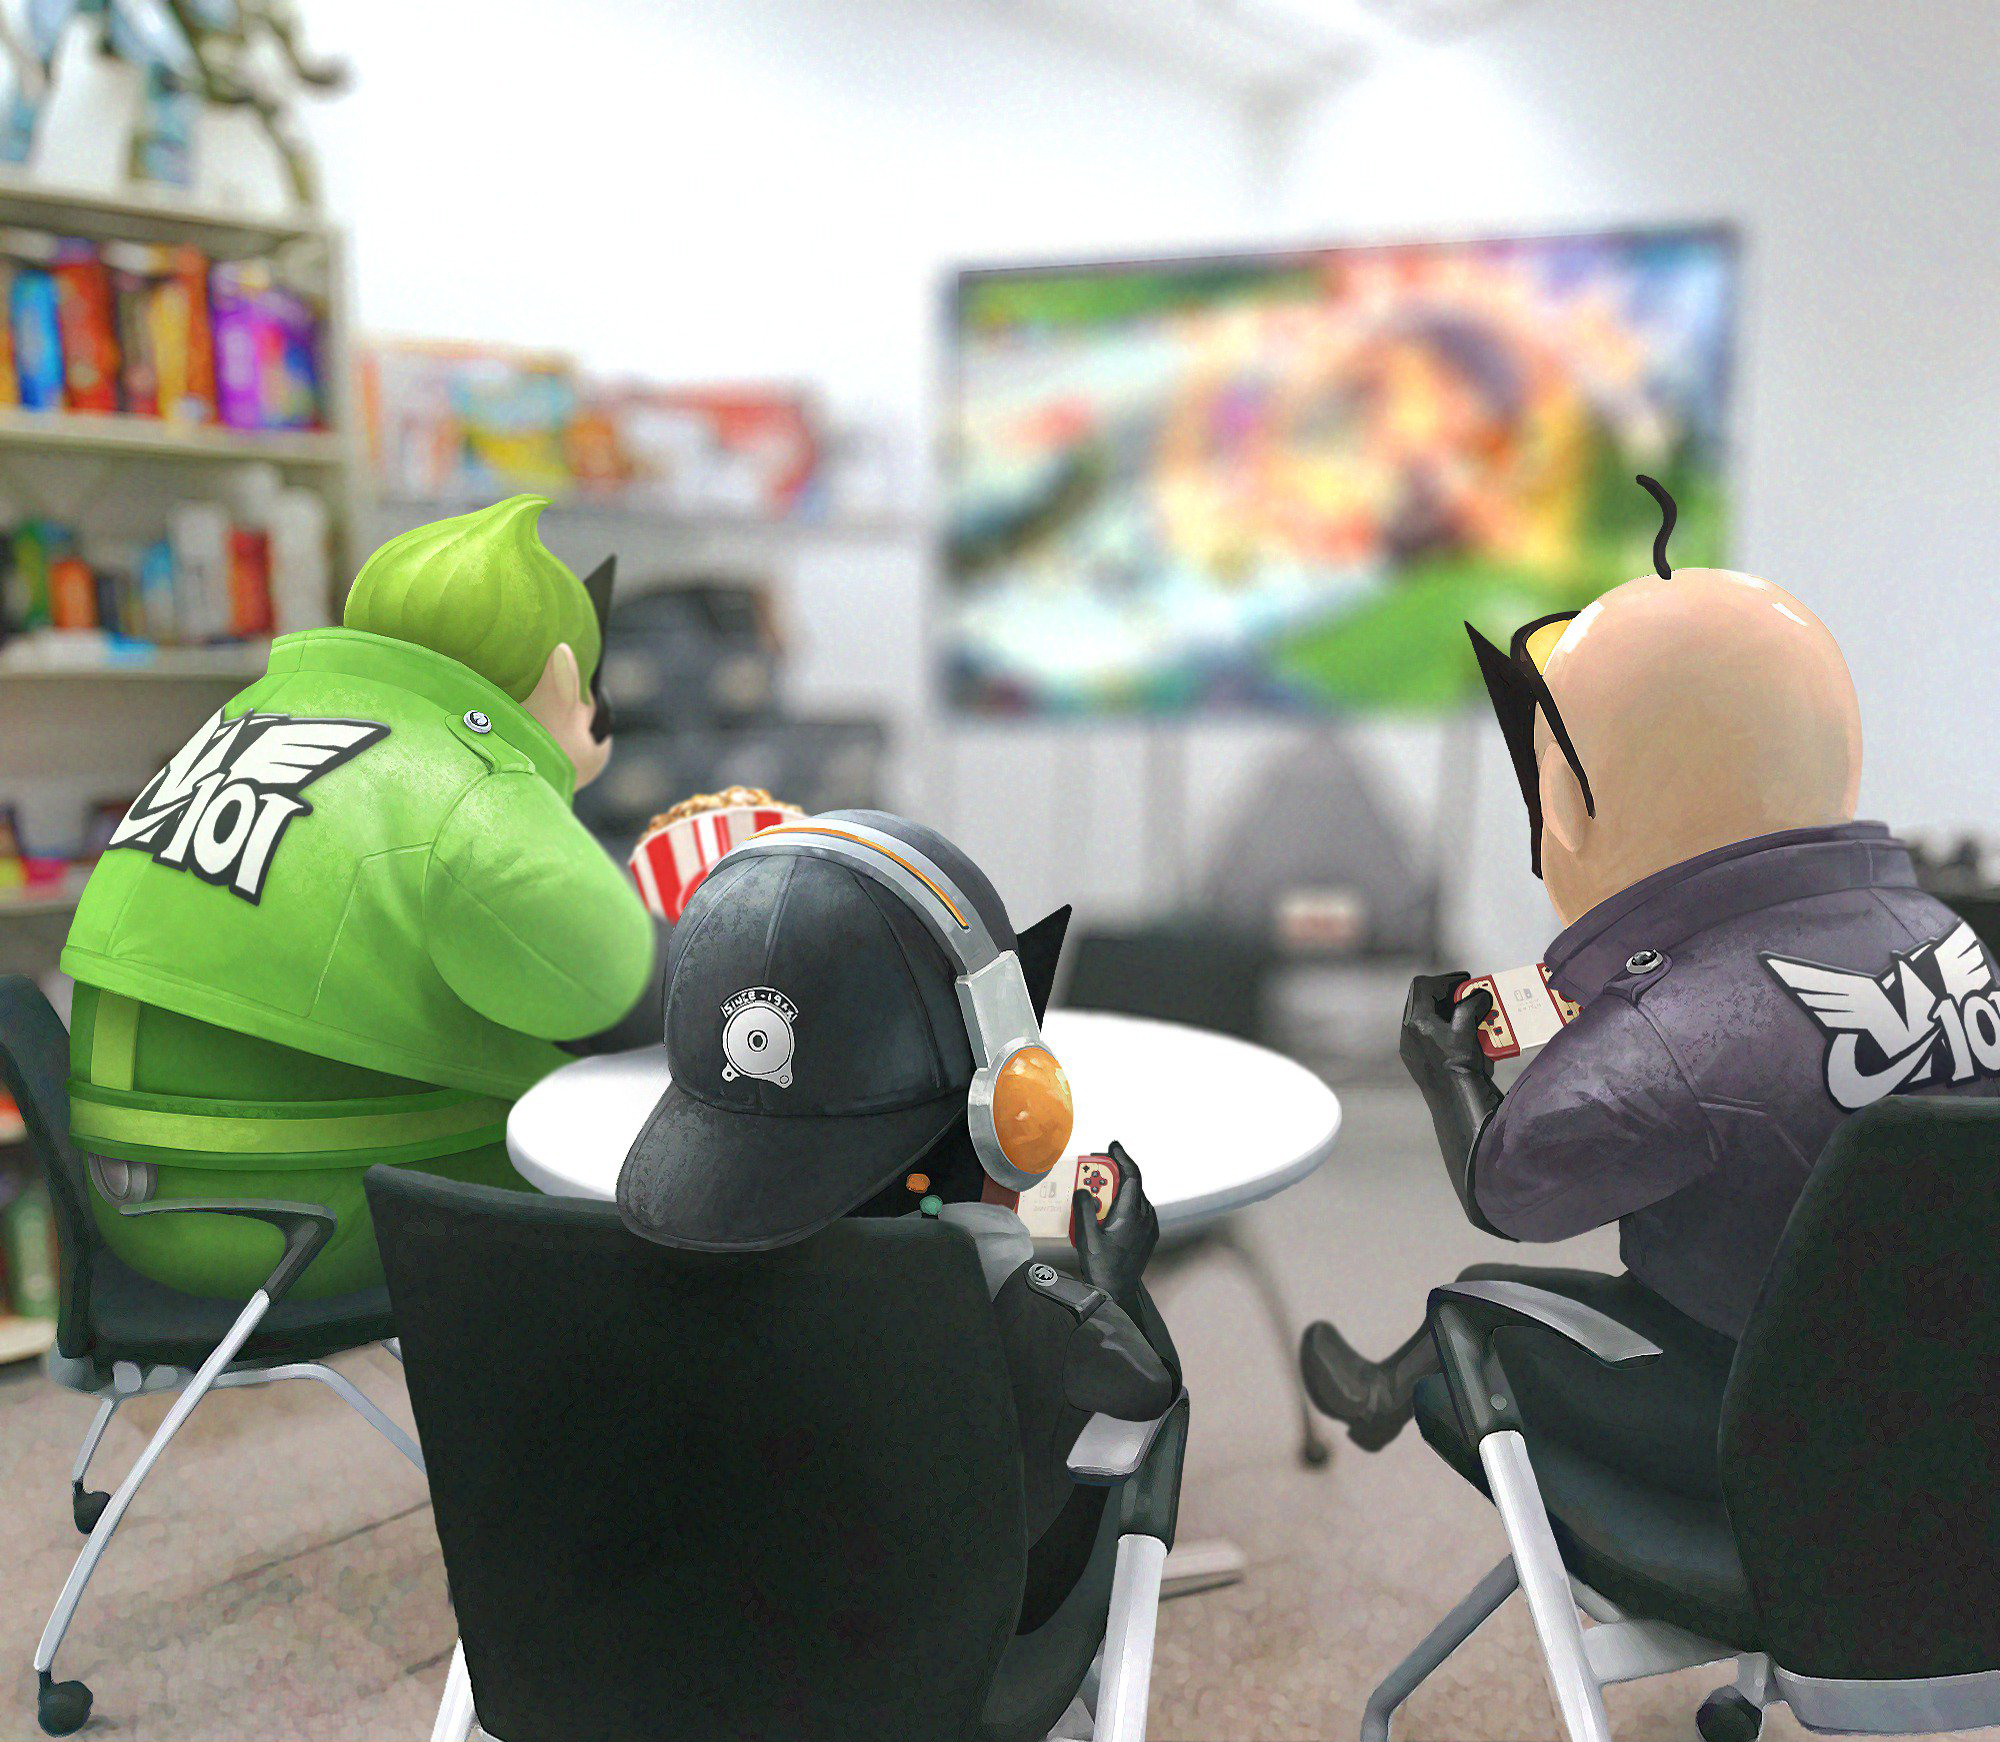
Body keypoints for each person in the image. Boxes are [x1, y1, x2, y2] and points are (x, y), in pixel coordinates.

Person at [1302, 486, 2000, 1474]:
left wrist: (1446, 1069)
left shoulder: (1665, 1032)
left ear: (1571, 804)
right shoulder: (1945, 935)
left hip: (1765, 1431)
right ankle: (1383, 1391)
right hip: (1950, 1393)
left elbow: (1513, 1192)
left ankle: (1394, 1395)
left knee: (1479, 1295)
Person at [61, 495, 656, 1300]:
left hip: (134, 1200)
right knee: (641, 1127)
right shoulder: (463, 774)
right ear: (561, 673)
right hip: (289, 1217)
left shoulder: (253, 717)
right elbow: (613, 984)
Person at [615, 809, 1179, 1581]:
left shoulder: (647, 1283)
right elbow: (1145, 1388)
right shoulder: (1037, 1321)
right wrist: (1114, 1286)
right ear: (1011, 1113)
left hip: (696, 1618)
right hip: (956, 1639)